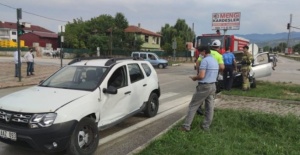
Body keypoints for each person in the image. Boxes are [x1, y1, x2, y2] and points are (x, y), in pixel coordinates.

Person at [180, 46, 219, 131]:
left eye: (200, 52)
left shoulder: (205, 61)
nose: (199, 54)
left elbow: (201, 76)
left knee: (193, 105)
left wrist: (194, 78)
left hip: (204, 86)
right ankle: (206, 126)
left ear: (204, 51)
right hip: (213, 85)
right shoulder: (214, 60)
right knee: (210, 107)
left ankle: (186, 126)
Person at [196, 40, 224, 115]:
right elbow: (222, 67)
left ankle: (199, 107)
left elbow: (198, 63)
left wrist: (198, 72)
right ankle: (209, 110)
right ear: (219, 47)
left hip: (202, 76)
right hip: (212, 78)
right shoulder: (219, 55)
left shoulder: (205, 53)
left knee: (201, 92)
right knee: (211, 95)